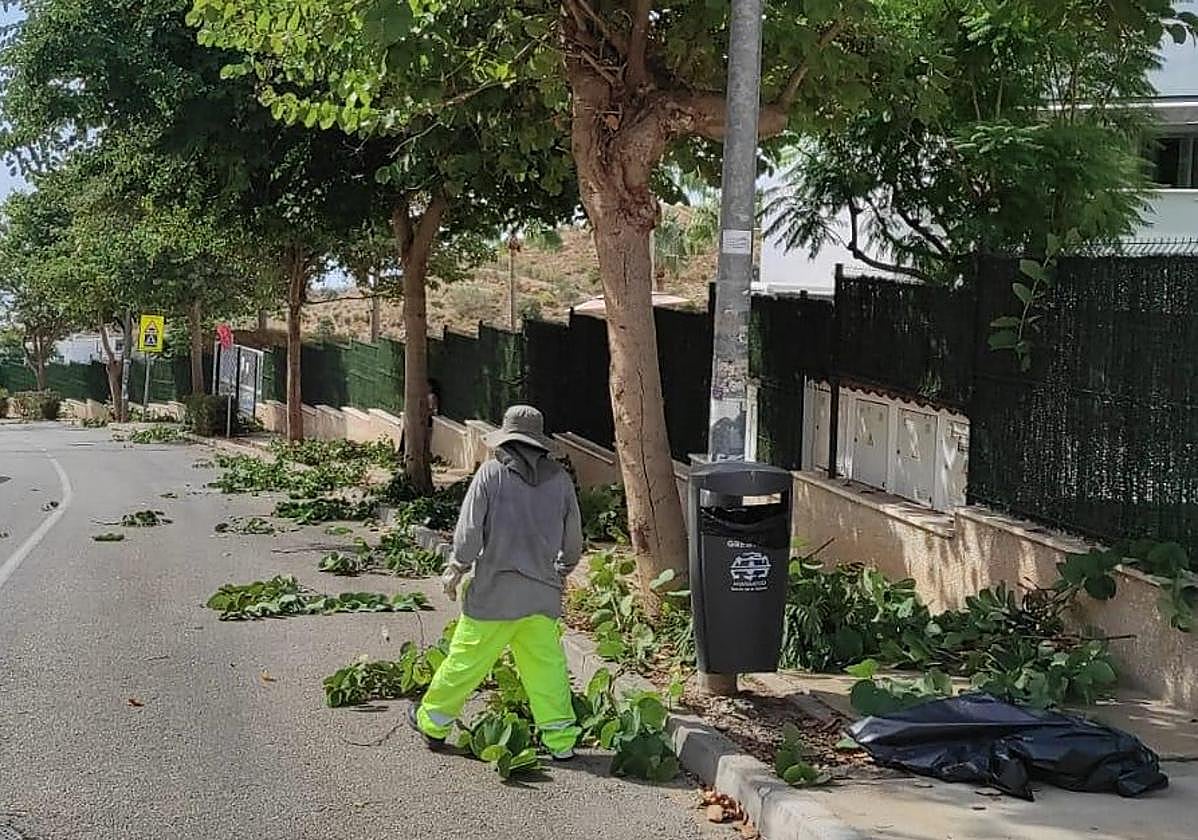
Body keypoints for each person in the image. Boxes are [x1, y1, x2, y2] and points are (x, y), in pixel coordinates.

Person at [408, 404, 584, 759]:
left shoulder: (491, 475)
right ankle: (561, 742)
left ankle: (433, 722)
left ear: (506, 441)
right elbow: (573, 542)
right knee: (547, 672)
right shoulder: (561, 481)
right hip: (540, 598)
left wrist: (457, 567)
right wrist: (560, 572)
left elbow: (470, 533)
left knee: (465, 662)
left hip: (493, 596)